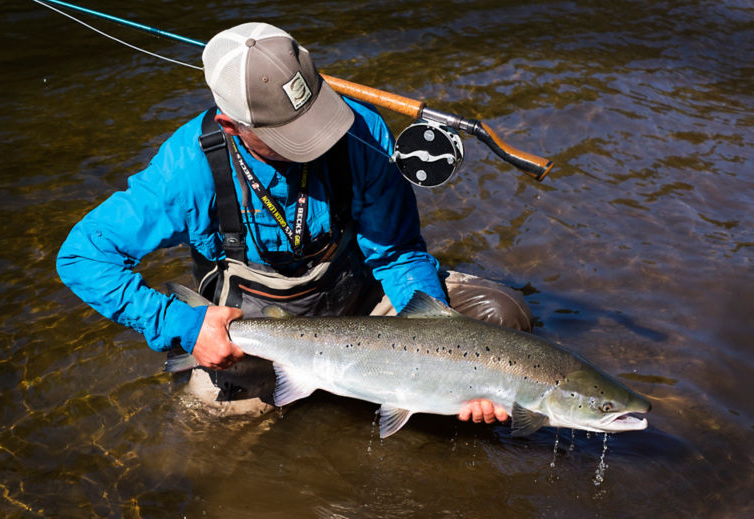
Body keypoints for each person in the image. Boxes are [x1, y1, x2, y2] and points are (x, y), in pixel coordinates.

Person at [57, 22, 533, 427]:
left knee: (501, 319)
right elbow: (81, 257)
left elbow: (398, 253)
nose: (318, 141)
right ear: (231, 125)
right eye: (289, 136)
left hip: (359, 307)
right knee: (212, 447)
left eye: (315, 119)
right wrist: (184, 324)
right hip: (254, 333)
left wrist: (445, 360)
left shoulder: (361, 134)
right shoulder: (185, 170)